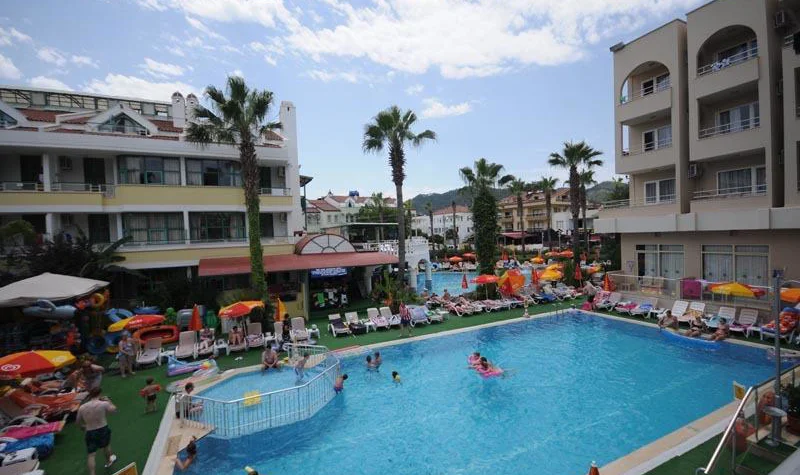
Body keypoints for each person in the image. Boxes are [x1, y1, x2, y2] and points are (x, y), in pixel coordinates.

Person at [76, 387, 117, 475]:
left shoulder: (82, 407)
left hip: (90, 431)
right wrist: (109, 401)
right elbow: (114, 410)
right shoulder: (103, 404)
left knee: (91, 454)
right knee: (106, 447)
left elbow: (78, 421)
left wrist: (82, 427)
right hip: (103, 429)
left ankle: (92, 473)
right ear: (100, 394)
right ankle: (108, 462)